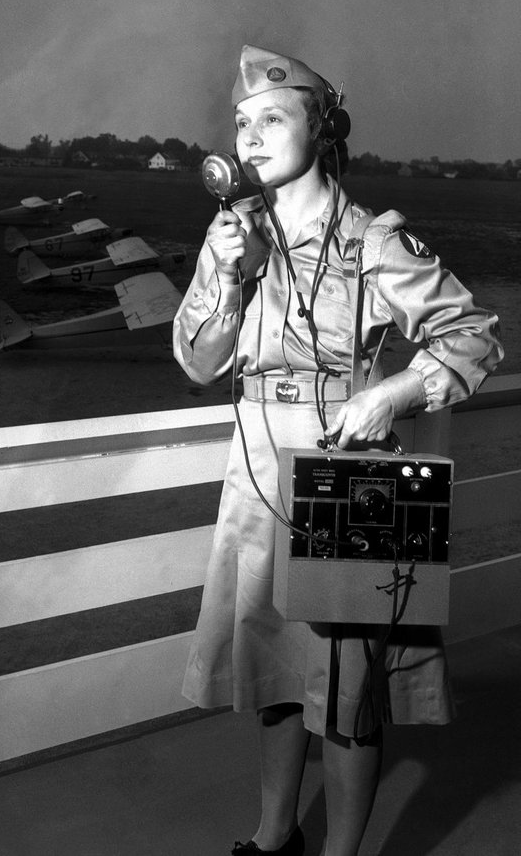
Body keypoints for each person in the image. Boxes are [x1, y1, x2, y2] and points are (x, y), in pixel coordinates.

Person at [172, 45, 503, 856]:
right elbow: (198, 364)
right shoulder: (233, 236)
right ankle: (274, 834)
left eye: (272, 118)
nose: (250, 137)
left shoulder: (370, 242)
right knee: (277, 675)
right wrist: (227, 279)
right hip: (256, 475)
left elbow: (473, 337)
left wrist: (390, 394)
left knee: (348, 694)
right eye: (242, 123)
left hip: (346, 474)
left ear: (322, 130)